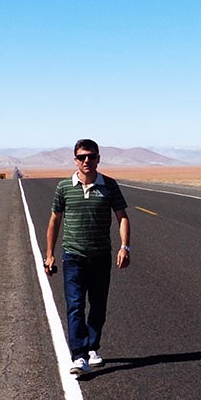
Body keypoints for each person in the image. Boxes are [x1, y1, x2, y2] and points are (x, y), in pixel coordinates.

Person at [44, 139, 131, 376]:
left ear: (98, 158)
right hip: (73, 256)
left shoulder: (109, 185)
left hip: (101, 256)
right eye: (82, 157)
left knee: (98, 306)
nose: (86, 161)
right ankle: (79, 355)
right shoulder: (64, 187)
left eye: (91, 156)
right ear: (75, 160)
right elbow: (54, 220)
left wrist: (125, 247)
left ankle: (93, 347)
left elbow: (122, 217)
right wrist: (49, 254)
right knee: (75, 305)